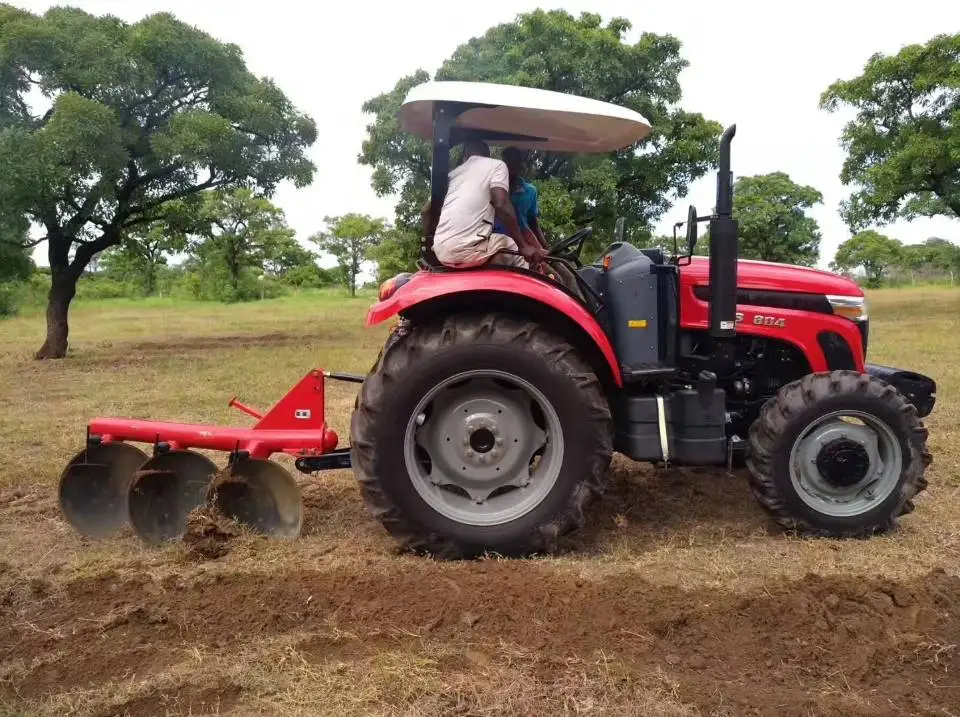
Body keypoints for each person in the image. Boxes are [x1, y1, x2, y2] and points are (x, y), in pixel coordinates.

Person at [420, 141, 548, 270]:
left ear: (465, 155)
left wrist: (431, 247)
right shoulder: (496, 166)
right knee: (514, 249)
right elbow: (501, 204)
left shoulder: (452, 175)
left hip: (441, 252)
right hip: (470, 250)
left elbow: (425, 211)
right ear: (488, 156)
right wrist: (523, 247)